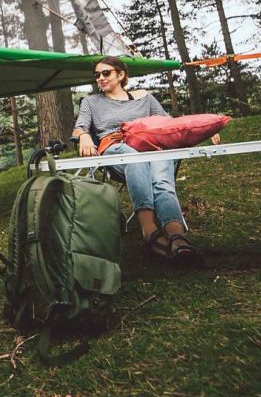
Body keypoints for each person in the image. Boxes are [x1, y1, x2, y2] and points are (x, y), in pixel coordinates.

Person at [72, 56, 210, 266]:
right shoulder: (91, 102)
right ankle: (150, 230)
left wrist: (204, 129)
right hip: (117, 147)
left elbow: (168, 124)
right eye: (97, 75)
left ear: (121, 75)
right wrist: (84, 136)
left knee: (162, 176)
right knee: (135, 160)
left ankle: (176, 235)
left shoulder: (144, 98)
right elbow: (80, 126)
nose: (100, 78)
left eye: (106, 73)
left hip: (152, 145)